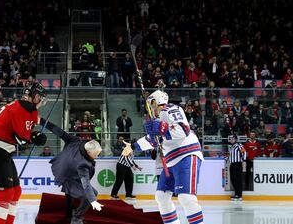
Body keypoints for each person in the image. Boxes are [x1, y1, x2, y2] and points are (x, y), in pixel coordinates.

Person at [122, 90, 204, 224]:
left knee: (186, 197)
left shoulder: (171, 109)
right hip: (171, 160)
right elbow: (153, 140)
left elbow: (183, 130)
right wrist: (132, 146)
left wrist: (162, 127)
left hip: (187, 155)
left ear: (155, 102)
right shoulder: (157, 120)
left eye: (150, 106)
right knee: (161, 196)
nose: (149, 110)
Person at [0, 82, 48, 224]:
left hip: (0, 149)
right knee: (5, 193)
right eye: (40, 98)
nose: (41, 101)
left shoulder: (18, 106)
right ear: (34, 96)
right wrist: (33, 138)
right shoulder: (26, 108)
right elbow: (21, 138)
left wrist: (32, 136)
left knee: (15, 191)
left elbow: (19, 133)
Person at [39, 117, 104, 224]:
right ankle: (76, 218)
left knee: (74, 195)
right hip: (67, 176)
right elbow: (86, 184)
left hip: (70, 172)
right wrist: (93, 201)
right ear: (88, 152)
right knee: (90, 194)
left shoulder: (76, 141)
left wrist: (41, 121)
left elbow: (58, 131)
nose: (97, 156)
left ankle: (71, 215)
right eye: (95, 154)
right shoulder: (84, 164)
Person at [228, 135, 246, 200]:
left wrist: (243, 160)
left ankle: (239, 195)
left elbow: (244, 152)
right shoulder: (231, 147)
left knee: (238, 179)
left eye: (232, 139)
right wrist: (227, 158)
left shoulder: (239, 145)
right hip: (232, 164)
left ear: (235, 139)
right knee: (233, 179)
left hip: (238, 164)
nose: (231, 140)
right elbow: (230, 155)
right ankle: (236, 194)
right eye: (230, 139)